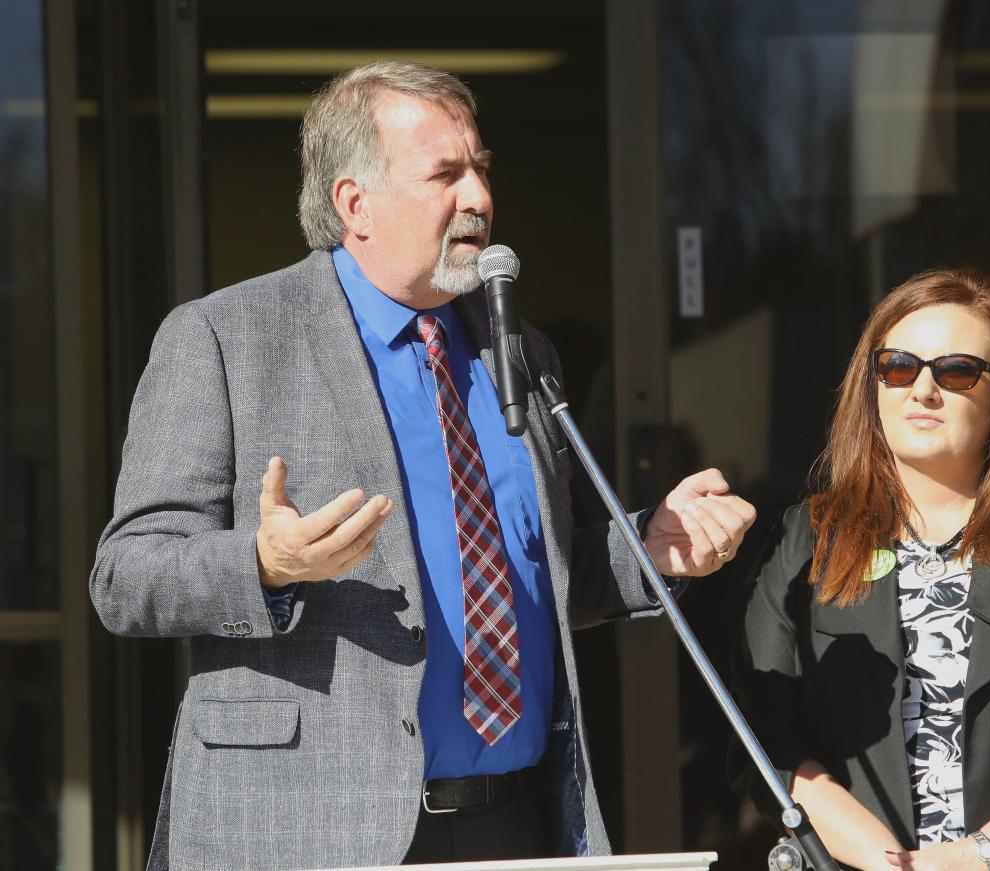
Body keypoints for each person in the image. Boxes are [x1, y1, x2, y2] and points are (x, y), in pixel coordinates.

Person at [90, 61, 757, 871]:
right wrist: (266, 564)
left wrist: (643, 550)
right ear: (354, 203)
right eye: (446, 174)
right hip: (305, 826)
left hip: (510, 822)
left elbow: (515, 579)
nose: (478, 197)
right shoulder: (225, 338)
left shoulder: (519, 350)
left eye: (480, 170)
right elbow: (126, 577)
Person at [733, 268, 990, 871]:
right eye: (898, 367)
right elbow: (760, 729)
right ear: (872, 385)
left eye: (956, 371)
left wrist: (980, 856)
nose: (922, 391)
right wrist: (882, 859)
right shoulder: (807, 539)